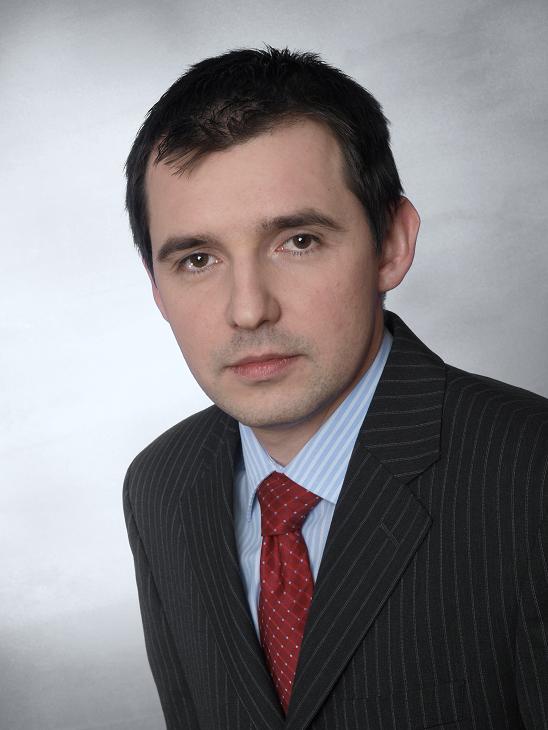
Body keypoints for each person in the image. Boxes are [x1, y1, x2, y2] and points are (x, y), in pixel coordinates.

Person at [122, 47, 548, 730]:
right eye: (198, 259)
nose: (248, 310)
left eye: (298, 241)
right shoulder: (158, 488)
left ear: (392, 244)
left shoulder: (531, 477)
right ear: (157, 289)